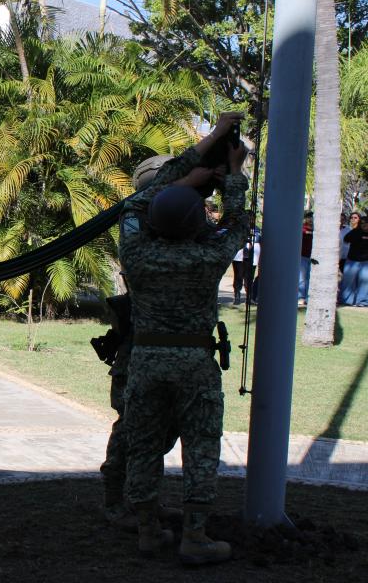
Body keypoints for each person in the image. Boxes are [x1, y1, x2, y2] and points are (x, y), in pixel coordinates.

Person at [118, 112, 248, 565]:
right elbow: (238, 222)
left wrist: (186, 176)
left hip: (148, 359)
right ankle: (195, 536)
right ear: (197, 222)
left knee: (144, 446)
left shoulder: (136, 251)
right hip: (194, 363)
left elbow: (135, 205)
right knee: (202, 446)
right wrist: (233, 172)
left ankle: (149, 531)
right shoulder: (209, 255)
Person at [98, 156, 180, 532]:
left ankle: (144, 498)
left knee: (165, 430)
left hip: (175, 346)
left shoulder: (179, 223)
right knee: (131, 427)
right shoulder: (135, 222)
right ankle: (117, 499)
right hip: (139, 346)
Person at [231, 215, 260, 305]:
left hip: (252, 257)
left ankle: (249, 298)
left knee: (249, 278)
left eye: (251, 218)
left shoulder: (257, 229)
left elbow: (259, 241)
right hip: (239, 256)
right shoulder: (237, 228)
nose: (250, 220)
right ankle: (237, 296)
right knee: (238, 276)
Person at [339, 214, 368, 306]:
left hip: (365, 263)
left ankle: (362, 302)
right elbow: (346, 239)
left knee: (365, 283)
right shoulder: (355, 231)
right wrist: (357, 236)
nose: (364, 225)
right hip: (352, 261)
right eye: (362, 223)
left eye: (366, 223)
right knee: (348, 282)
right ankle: (346, 301)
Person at [298, 212, 314, 305]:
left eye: (312, 218)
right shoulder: (301, 229)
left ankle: (309, 297)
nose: (310, 220)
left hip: (312, 257)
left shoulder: (317, 230)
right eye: (308, 218)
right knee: (302, 278)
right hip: (302, 256)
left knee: (310, 278)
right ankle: (300, 297)